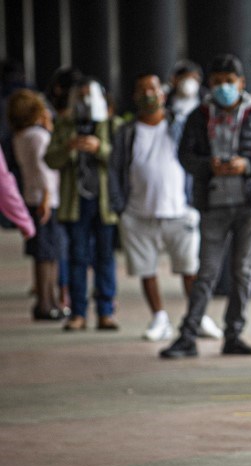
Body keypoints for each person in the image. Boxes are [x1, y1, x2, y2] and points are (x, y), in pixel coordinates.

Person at [160, 54, 251, 358]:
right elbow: (185, 156)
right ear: (208, 86)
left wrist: (247, 165)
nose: (224, 88)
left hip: (250, 203)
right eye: (217, 83)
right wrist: (208, 165)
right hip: (213, 202)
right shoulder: (198, 117)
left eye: (229, 82)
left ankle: (234, 334)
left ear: (241, 83)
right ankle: (188, 335)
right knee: (207, 272)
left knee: (243, 271)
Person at [109, 73, 207, 342]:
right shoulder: (127, 132)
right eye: (142, 90)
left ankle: (198, 317)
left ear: (163, 94)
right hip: (138, 213)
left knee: (190, 268)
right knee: (146, 269)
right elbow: (115, 170)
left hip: (179, 210)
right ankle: (159, 318)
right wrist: (120, 208)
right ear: (134, 97)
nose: (148, 94)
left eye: (153, 89)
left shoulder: (179, 124)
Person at [45, 77, 120, 332]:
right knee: (76, 257)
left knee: (105, 257)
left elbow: (122, 159)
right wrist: (69, 147)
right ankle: (78, 313)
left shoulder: (112, 126)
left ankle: (106, 311)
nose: (87, 101)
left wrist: (100, 148)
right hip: (75, 202)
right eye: (82, 95)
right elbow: (50, 159)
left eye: (92, 95)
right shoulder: (64, 125)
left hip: (104, 203)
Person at [8, 88, 62, 320]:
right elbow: (44, 169)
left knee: (43, 252)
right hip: (44, 198)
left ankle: (47, 300)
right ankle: (46, 302)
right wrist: (47, 198)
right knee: (47, 253)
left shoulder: (20, 136)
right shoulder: (38, 136)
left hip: (31, 196)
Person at [165, 60, 204, 140]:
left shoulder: (205, 99)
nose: (189, 81)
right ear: (174, 79)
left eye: (194, 78)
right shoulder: (165, 100)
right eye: (185, 77)